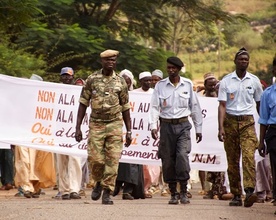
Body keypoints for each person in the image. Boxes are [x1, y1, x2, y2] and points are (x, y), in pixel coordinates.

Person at [74, 49, 132, 205]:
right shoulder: (92, 79)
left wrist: (129, 131)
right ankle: (98, 182)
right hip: (96, 124)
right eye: (108, 60)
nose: (111, 62)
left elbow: (125, 106)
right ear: (102, 62)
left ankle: (107, 191)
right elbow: (83, 103)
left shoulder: (121, 81)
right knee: (96, 159)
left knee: (113, 160)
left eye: (113, 60)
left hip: (114, 124)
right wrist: (78, 127)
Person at [150, 56, 203, 205]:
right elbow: (154, 107)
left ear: (179, 69)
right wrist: (153, 126)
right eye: (169, 68)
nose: (171, 70)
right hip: (166, 126)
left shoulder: (187, 84)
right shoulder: (160, 86)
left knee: (182, 156)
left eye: (173, 68)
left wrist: (198, 128)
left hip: (183, 126)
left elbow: (195, 107)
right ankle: (173, 192)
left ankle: (184, 191)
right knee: (167, 160)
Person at [218, 47, 263, 207]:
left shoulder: (254, 81)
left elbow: (259, 104)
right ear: (235, 61)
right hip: (230, 122)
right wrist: (221, 127)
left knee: (249, 156)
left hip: (248, 122)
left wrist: (264, 123)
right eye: (241, 59)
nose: (244, 61)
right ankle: (237, 194)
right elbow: (222, 105)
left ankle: (250, 191)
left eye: (246, 59)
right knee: (232, 159)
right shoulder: (226, 81)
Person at [14, 74, 56, 198]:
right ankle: (26, 186)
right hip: (22, 133)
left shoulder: (44, 100)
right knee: (24, 160)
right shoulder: (19, 99)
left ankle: (35, 186)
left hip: (39, 133)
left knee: (38, 161)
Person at [113, 69, 145, 200]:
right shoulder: (114, 95)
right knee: (118, 161)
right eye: (123, 82)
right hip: (117, 131)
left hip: (134, 133)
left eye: (128, 82)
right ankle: (116, 186)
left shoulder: (138, 97)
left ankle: (128, 189)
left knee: (132, 162)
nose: (125, 85)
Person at [201, 73, 232, 201]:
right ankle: (210, 189)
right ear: (205, 86)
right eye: (210, 85)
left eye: (215, 85)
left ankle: (219, 190)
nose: (213, 87)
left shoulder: (222, 100)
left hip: (220, 134)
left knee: (220, 162)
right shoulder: (201, 99)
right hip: (207, 136)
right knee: (209, 163)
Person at [55, 67, 82, 200]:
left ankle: (74, 189)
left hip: (74, 131)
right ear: (60, 77)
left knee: (75, 159)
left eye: (69, 76)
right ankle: (64, 190)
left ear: (73, 77)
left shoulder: (79, 91)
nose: (66, 78)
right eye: (64, 75)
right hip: (60, 131)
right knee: (62, 161)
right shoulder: (55, 90)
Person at [258, 56, 276, 206]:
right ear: (274, 70)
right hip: (273, 133)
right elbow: (263, 120)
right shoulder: (268, 93)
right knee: (274, 167)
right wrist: (260, 142)